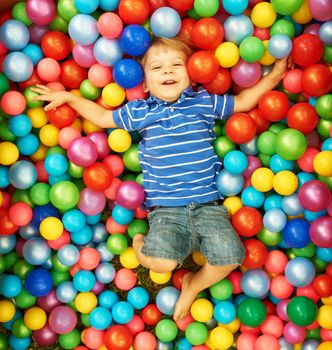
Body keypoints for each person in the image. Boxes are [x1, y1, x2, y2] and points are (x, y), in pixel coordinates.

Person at [32, 36, 288, 321]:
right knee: (161, 263)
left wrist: (275, 75)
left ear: (193, 76)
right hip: (167, 212)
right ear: (144, 84)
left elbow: (242, 101)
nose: (168, 71)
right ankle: (140, 243)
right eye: (157, 68)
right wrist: (69, 98)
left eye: (177, 65)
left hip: (209, 207)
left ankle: (192, 285)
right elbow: (104, 118)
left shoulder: (203, 102)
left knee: (231, 257)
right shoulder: (142, 111)